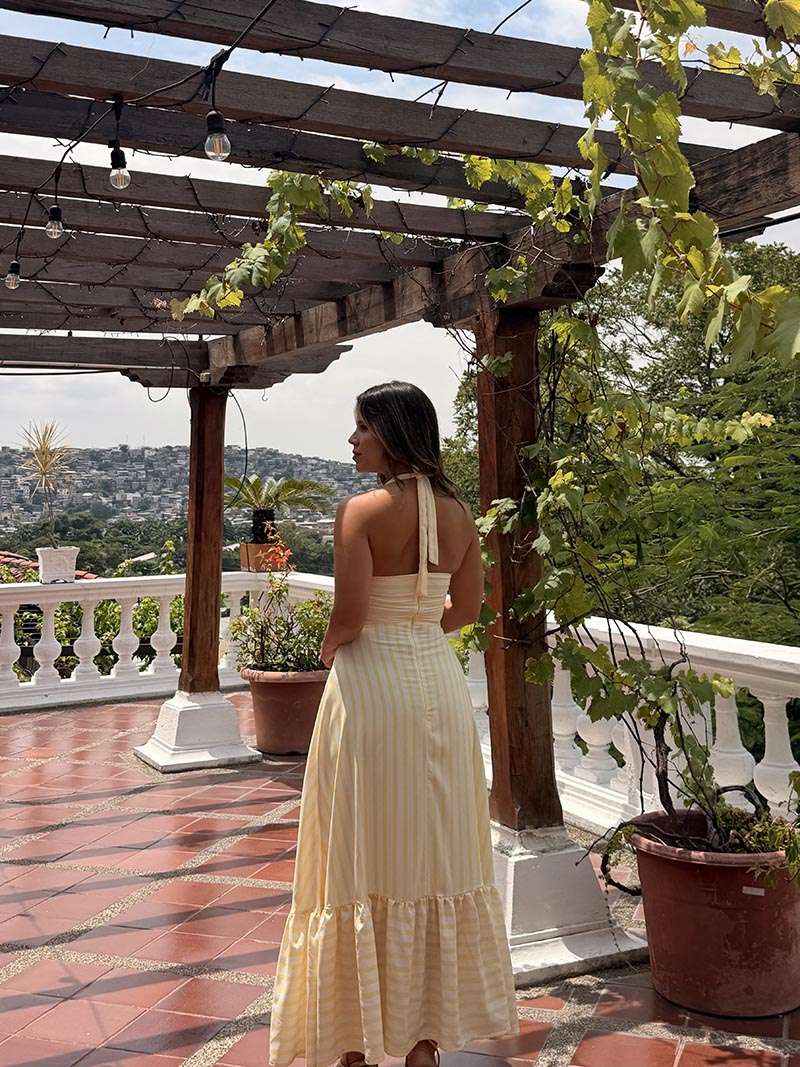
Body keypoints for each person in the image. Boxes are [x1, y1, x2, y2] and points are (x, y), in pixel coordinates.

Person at [268, 381, 518, 1067]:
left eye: (362, 428)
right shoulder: (461, 514)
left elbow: (348, 615)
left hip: (370, 688)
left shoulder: (361, 511)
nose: (352, 440)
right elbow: (465, 611)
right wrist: (415, 625)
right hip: (436, 684)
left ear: (393, 432)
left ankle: (354, 1041)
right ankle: (422, 1043)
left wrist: (328, 650)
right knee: (435, 852)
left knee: (359, 848)